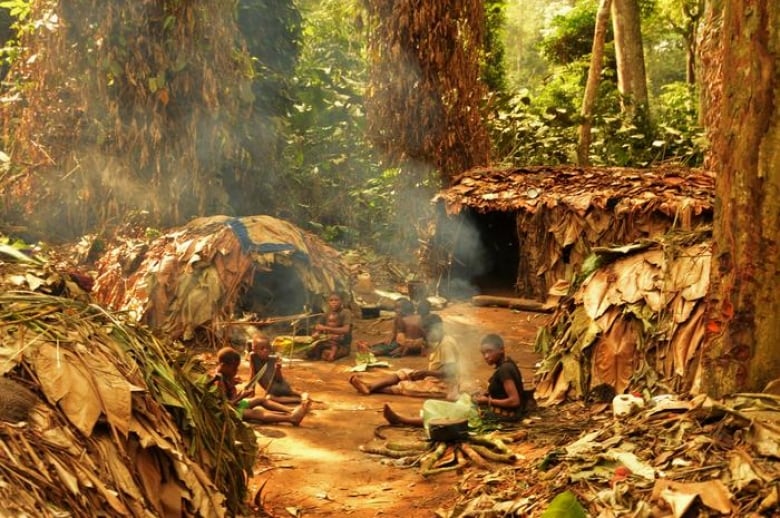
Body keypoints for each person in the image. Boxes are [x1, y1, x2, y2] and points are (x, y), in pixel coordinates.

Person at [382, 333, 525, 426]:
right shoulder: (506, 365)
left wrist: (487, 401)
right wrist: (484, 395)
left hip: (503, 416)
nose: (486, 356)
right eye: (483, 353)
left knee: (449, 415)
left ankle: (402, 420)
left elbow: (514, 401)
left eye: (489, 352)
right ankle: (408, 419)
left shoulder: (505, 370)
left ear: (501, 349)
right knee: (452, 403)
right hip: (497, 410)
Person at [349, 314, 459, 399]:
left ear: (438, 328)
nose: (427, 335)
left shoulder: (447, 344)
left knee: (406, 386)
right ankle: (371, 386)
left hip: (443, 386)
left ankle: (370, 388)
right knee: (403, 372)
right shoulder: (441, 341)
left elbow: (450, 372)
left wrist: (426, 373)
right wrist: (425, 373)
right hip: (433, 377)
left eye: (428, 332)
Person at [210, 347, 310, 425]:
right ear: (223, 365)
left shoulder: (225, 374)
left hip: (236, 404)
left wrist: (233, 382)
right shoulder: (218, 381)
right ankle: (291, 418)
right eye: (234, 368)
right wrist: (242, 396)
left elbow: (230, 393)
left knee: (260, 399)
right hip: (229, 412)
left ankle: (290, 410)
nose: (236, 371)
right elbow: (225, 406)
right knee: (255, 413)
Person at [247, 333, 304, 405]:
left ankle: (300, 397)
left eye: (268, 348)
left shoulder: (274, 359)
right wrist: (252, 391)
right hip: (272, 390)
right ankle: (297, 399)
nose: (265, 350)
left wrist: (277, 369)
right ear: (254, 349)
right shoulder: (253, 357)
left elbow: (279, 379)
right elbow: (253, 375)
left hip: (280, 387)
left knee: (285, 392)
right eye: (262, 348)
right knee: (269, 397)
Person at [306, 293, 353, 361]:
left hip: (341, 343)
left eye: (336, 300)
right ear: (328, 302)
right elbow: (318, 325)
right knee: (309, 352)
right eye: (331, 300)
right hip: (328, 341)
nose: (334, 302)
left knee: (328, 355)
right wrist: (317, 332)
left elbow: (346, 330)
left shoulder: (346, 312)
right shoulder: (327, 313)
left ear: (341, 301)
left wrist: (326, 328)